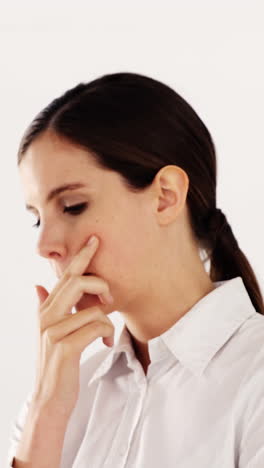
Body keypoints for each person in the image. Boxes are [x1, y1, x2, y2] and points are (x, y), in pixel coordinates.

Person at [6, 72, 264, 467]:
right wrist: (45, 412)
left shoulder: (254, 377)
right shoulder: (64, 395)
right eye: (37, 218)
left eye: (73, 206)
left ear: (165, 197)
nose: (44, 247)